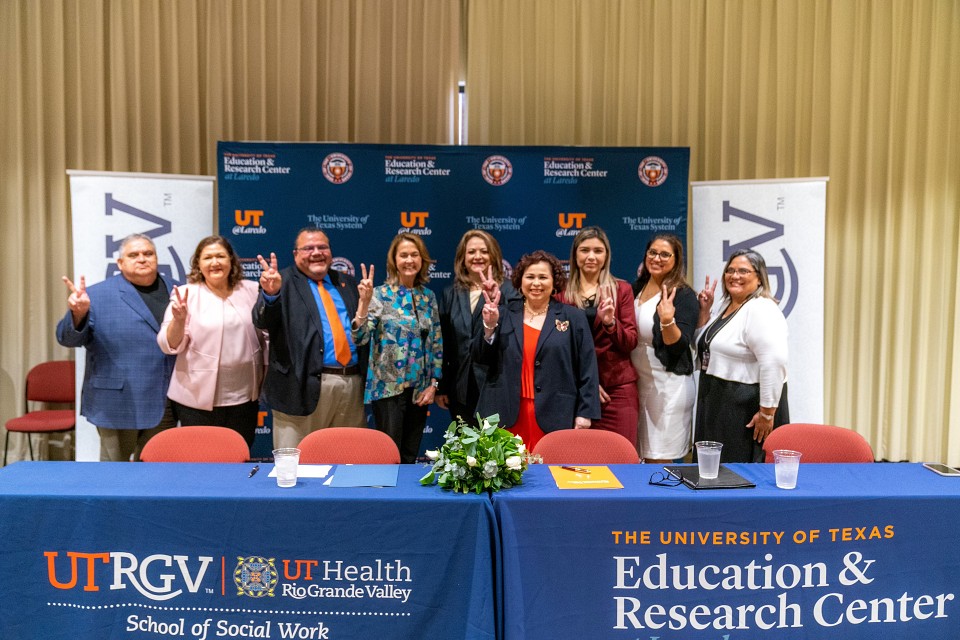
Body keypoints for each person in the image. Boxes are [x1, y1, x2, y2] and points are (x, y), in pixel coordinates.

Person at [56, 233, 177, 461]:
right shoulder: (96, 295)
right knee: (115, 480)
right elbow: (68, 339)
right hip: (117, 401)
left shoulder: (179, 290)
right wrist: (78, 314)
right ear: (120, 263)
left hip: (167, 401)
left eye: (148, 253)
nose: (142, 259)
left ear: (157, 258)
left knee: (160, 476)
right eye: (133, 255)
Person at [253, 227, 368, 450]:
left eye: (322, 247)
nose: (316, 252)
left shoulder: (347, 283)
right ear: (296, 254)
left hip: (350, 387)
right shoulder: (280, 282)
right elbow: (262, 321)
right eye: (308, 248)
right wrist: (270, 295)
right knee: (298, 467)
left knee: (349, 461)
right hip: (300, 388)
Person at [474, 250, 600, 451]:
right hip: (506, 413)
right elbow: (480, 357)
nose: (536, 283)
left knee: (550, 477)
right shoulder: (503, 314)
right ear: (520, 281)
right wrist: (489, 327)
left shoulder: (573, 317)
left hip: (555, 414)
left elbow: (588, 369)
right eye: (530, 277)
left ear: (554, 282)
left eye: (543, 277)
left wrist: (585, 413)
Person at [157, 236, 267, 448]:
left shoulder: (251, 290)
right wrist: (178, 321)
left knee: (238, 455)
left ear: (231, 261)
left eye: (220, 256)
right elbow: (167, 344)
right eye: (207, 257)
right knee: (201, 460)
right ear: (198, 263)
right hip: (195, 400)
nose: (215, 262)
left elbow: (266, 338)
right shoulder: (185, 294)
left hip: (244, 398)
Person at [353, 233, 443, 463]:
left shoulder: (428, 297)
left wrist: (433, 385)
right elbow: (360, 337)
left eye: (414, 255)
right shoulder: (380, 295)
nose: (409, 260)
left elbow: (436, 344)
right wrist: (363, 303)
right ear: (394, 260)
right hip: (388, 390)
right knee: (390, 457)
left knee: (410, 456)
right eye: (403, 255)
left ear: (422, 259)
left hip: (419, 392)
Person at [694, 248, 789, 462]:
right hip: (717, 398)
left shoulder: (761, 309)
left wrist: (766, 413)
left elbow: (774, 362)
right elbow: (705, 346)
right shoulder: (725, 305)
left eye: (744, 271)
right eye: (730, 270)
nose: (734, 275)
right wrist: (704, 311)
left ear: (759, 278)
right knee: (714, 470)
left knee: (738, 473)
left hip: (745, 406)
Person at [557, 227, 638, 444]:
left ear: (606, 256)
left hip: (617, 391)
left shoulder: (622, 290)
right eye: (584, 250)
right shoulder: (561, 293)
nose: (591, 256)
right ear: (575, 255)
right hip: (577, 392)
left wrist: (611, 323)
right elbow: (560, 350)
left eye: (598, 251)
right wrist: (589, 386)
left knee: (622, 461)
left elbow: (630, 342)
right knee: (581, 462)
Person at [437, 230, 519, 423]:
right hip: (461, 389)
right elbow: (444, 345)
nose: (478, 256)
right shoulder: (450, 294)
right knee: (464, 450)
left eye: (484, 251)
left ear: (494, 255)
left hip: (496, 384)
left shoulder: (509, 290)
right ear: (462, 258)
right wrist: (442, 387)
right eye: (471, 252)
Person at [630, 234, 698, 463]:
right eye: (652, 252)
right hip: (637, 383)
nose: (657, 258)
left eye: (665, 254)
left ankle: (660, 500)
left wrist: (667, 320)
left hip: (668, 387)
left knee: (658, 459)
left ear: (676, 260)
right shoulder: (636, 288)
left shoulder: (684, 295)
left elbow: (679, 346)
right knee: (636, 454)